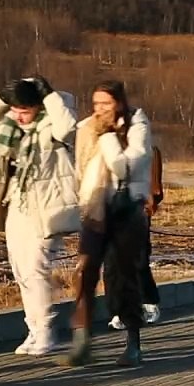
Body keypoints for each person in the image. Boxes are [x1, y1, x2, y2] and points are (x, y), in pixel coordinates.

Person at [0, 76, 79, 357]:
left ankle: (45, 331)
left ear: (39, 107)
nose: (18, 116)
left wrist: (49, 95)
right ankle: (33, 328)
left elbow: (67, 127)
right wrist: (1, 98)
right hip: (16, 204)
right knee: (20, 271)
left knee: (35, 269)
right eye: (14, 109)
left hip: (47, 208)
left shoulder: (51, 126)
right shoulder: (10, 128)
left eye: (25, 110)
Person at [59, 80, 153, 368]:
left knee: (123, 275)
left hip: (126, 210)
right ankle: (82, 341)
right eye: (96, 103)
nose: (100, 109)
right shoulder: (87, 128)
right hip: (95, 209)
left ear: (119, 103)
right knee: (84, 271)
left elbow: (125, 167)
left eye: (106, 103)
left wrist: (108, 137)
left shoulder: (137, 126)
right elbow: (80, 169)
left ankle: (133, 342)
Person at [108, 145, 163, 330]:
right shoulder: (106, 145)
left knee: (138, 259)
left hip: (137, 208)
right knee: (111, 263)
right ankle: (118, 310)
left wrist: (151, 200)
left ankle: (149, 301)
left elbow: (154, 182)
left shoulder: (147, 148)